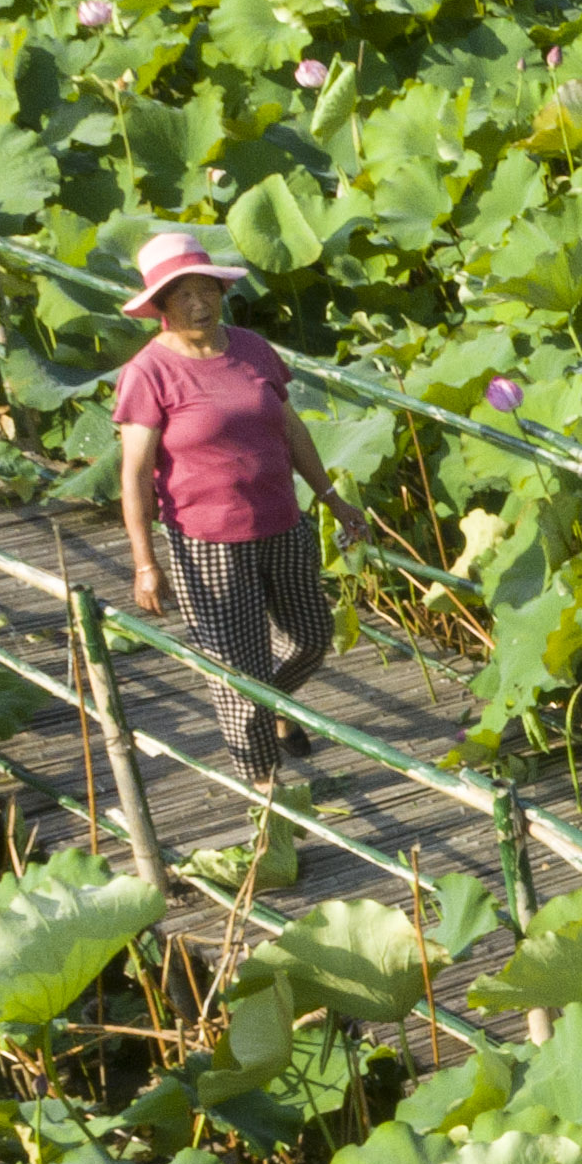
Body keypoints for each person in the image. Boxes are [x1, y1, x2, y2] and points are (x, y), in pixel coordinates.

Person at [110, 230, 385, 888]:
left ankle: (269, 717)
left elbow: (292, 429)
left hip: (282, 524)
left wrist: (331, 497)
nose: (201, 303)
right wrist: (144, 561)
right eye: (185, 294)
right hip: (205, 543)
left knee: (311, 640)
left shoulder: (253, 349)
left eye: (208, 289)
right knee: (240, 675)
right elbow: (135, 472)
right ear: (161, 306)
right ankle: (266, 807)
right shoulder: (149, 372)